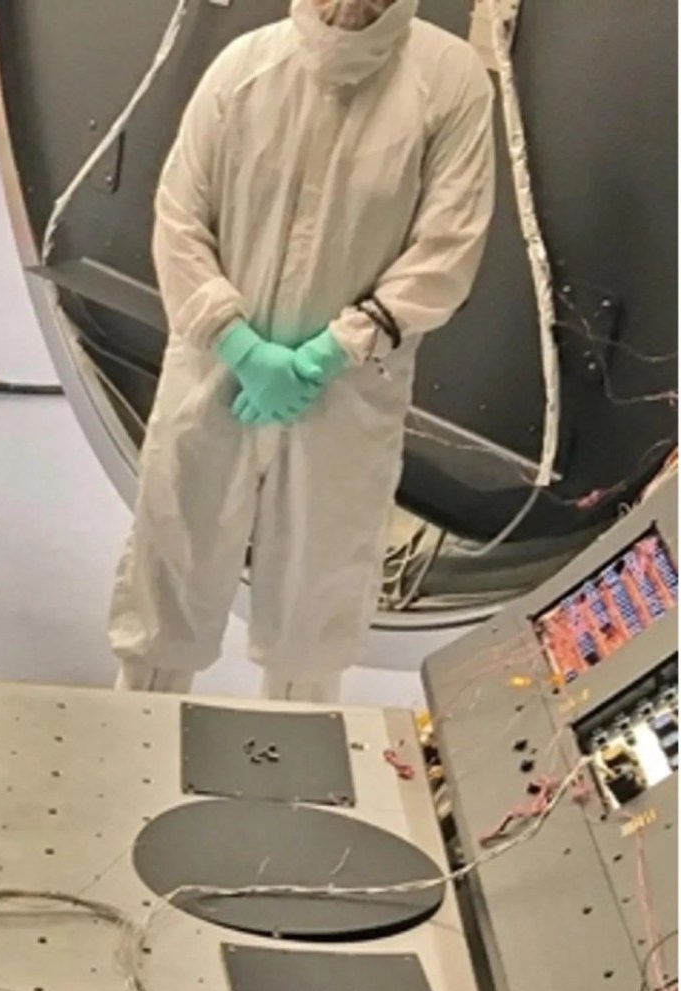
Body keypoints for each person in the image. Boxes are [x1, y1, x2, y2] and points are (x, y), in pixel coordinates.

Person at [106, 0, 494, 703]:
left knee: (315, 606)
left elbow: (446, 248)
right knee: (171, 565)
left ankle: (292, 777)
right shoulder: (245, 69)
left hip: (344, 391)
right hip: (217, 370)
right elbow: (179, 219)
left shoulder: (451, 81)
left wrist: (330, 353)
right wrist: (239, 342)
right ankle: (136, 741)